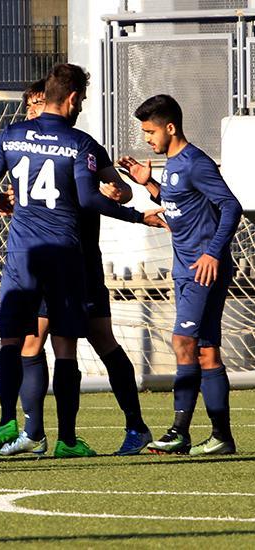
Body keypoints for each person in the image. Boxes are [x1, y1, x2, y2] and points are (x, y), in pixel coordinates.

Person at [0, 63, 166, 458]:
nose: (32, 112)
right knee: (36, 341)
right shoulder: (58, 141)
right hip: (57, 257)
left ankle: (129, 426)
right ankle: (37, 433)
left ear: (49, 100)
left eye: (37, 104)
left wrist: (121, 193)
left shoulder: (77, 145)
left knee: (97, 340)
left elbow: (115, 189)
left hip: (80, 260)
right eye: (29, 107)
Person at [118, 95, 242, 455]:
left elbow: (230, 206)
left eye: (150, 131)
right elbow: (179, 206)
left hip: (202, 270)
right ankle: (221, 437)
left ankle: (179, 432)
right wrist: (149, 185)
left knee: (182, 342)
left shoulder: (195, 163)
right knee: (206, 351)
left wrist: (212, 252)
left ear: (170, 128)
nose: (146, 139)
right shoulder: (173, 165)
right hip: (185, 270)